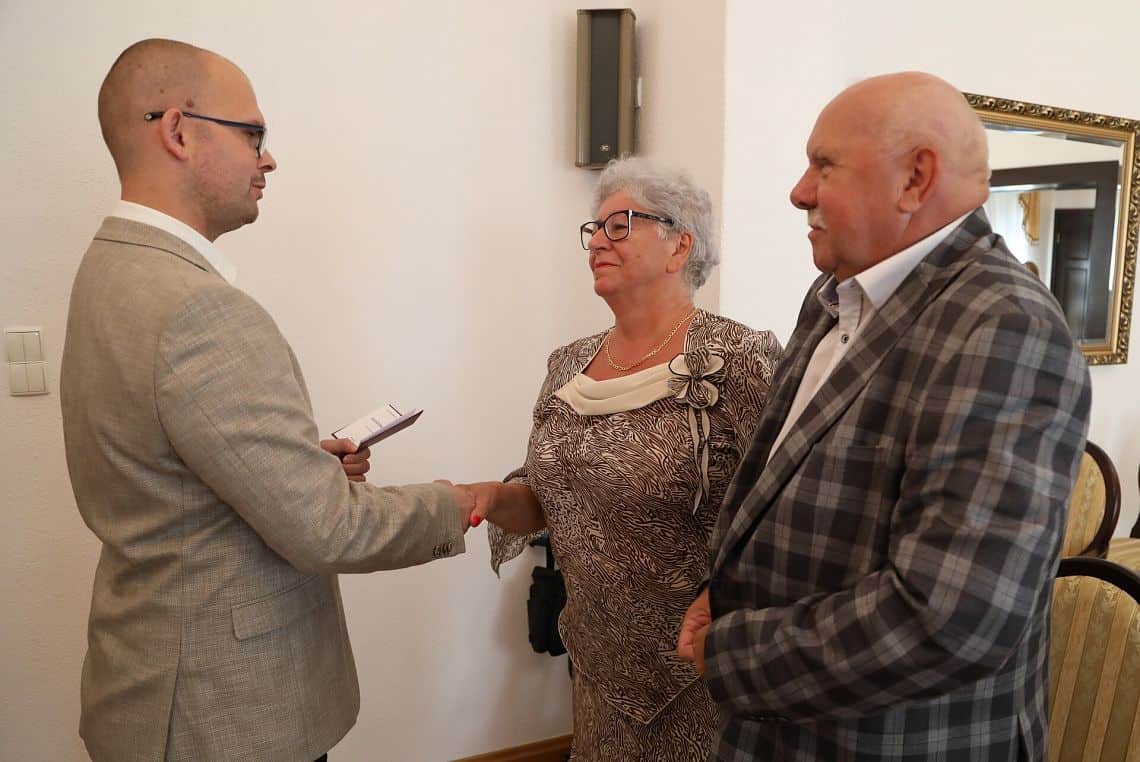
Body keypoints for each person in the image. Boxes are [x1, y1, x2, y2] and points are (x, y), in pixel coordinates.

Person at [61, 39, 474, 762]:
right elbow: (329, 531)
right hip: (221, 714)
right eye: (253, 134)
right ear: (179, 130)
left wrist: (294, 467)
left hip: (150, 687)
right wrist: (462, 501)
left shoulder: (109, 269)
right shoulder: (198, 308)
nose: (269, 159)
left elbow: (166, 471)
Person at [677, 71, 1092, 760]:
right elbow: (782, 491)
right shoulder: (835, 296)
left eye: (824, 166)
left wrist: (734, 651)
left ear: (914, 179)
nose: (799, 191)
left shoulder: (1003, 325)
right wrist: (721, 594)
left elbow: (952, 617)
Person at [465, 158, 781, 761]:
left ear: (680, 245)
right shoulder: (568, 364)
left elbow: (781, 507)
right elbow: (549, 497)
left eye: (621, 225)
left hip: (702, 665)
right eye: (595, 229)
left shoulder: (739, 357)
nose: (597, 243)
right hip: (596, 667)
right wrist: (492, 497)